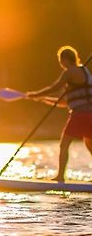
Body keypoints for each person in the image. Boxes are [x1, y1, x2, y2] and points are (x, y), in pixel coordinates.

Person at [26, 46, 92, 181]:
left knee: (64, 145)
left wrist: (35, 94)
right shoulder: (83, 71)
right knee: (90, 145)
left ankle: (60, 177)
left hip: (80, 115)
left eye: (60, 60)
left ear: (65, 59)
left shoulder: (69, 72)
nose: (61, 63)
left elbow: (55, 87)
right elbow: (65, 103)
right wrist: (44, 99)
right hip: (90, 114)